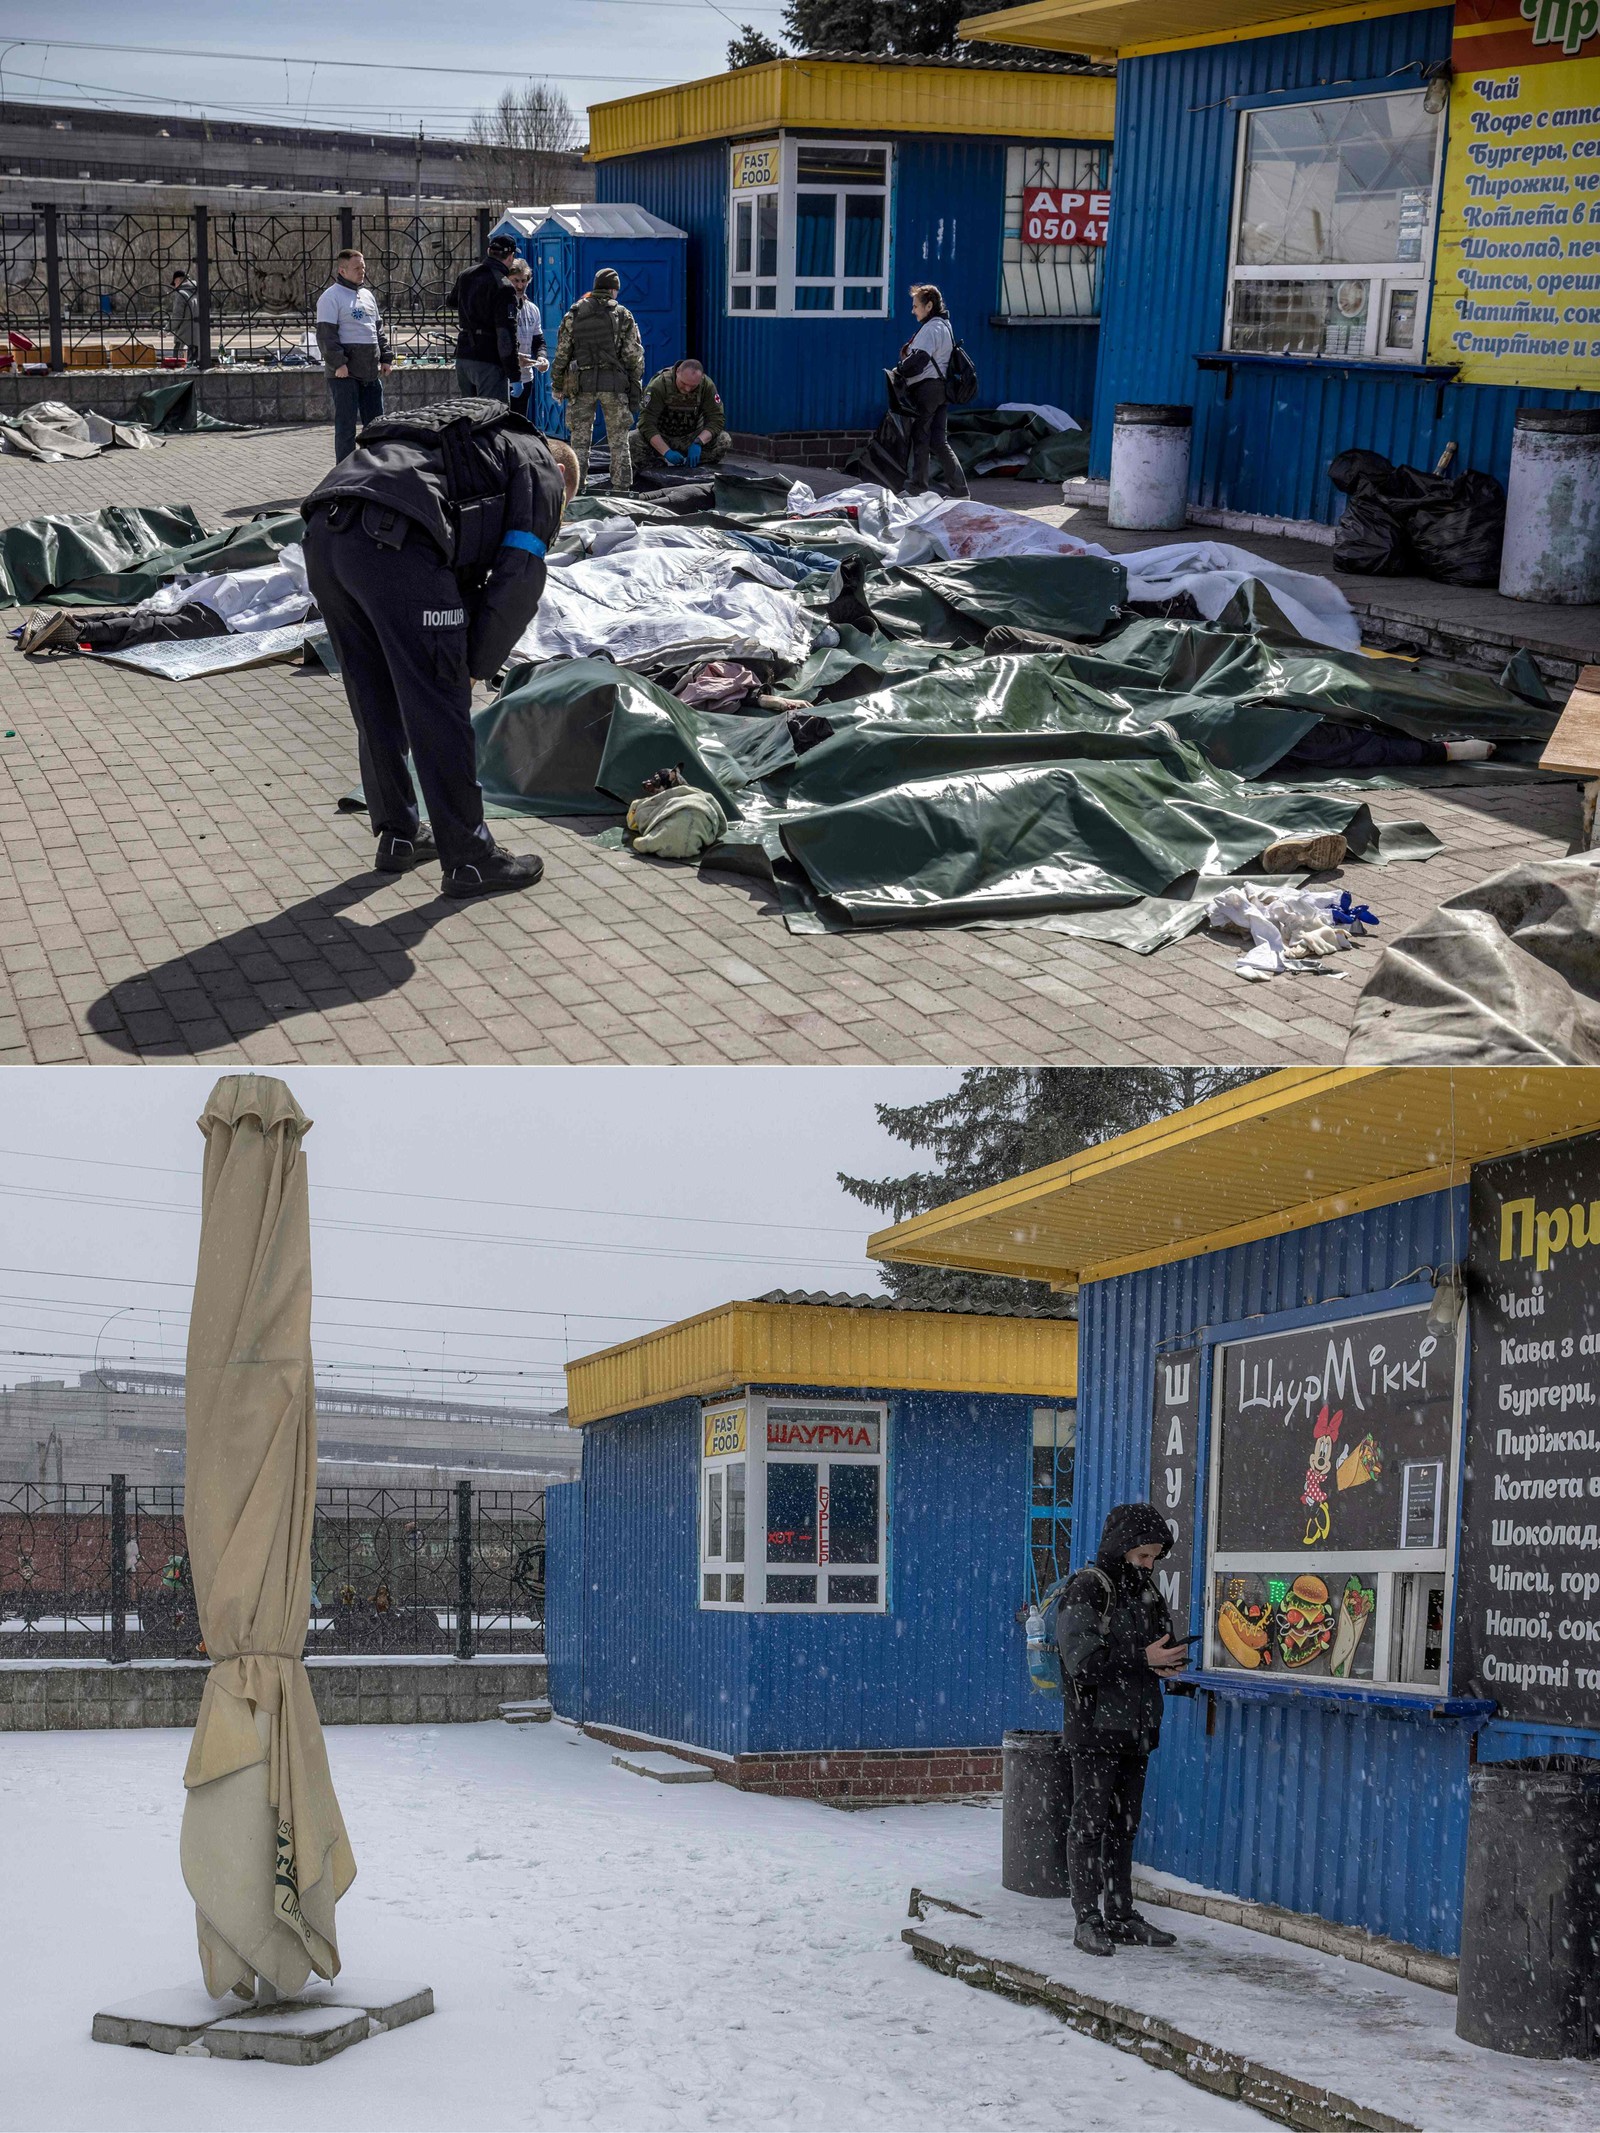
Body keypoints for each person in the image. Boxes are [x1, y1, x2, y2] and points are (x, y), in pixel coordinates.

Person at [300, 398, 579, 899]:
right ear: (560, 471)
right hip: (397, 544)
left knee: (373, 692)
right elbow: (518, 578)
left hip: (326, 532)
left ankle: (398, 836)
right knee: (439, 703)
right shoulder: (541, 466)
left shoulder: (469, 440)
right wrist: (472, 666)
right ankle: (471, 859)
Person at [1056, 1501, 1187, 1958]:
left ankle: (1121, 1914)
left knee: (1124, 1827)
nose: (1150, 1565)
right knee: (1089, 1825)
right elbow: (1083, 1661)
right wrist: (1142, 1658)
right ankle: (1087, 1920)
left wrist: (1168, 1661)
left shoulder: (1148, 1593)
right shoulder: (1089, 1589)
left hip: (1137, 1728)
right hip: (1095, 1730)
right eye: (1143, 1555)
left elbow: (1156, 1644)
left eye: (1154, 1557)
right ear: (1122, 1548)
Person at [550, 267, 643, 493]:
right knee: (619, 442)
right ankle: (621, 490)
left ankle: (576, 488)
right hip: (614, 386)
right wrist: (634, 384)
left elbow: (562, 353)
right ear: (614, 289)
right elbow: (634, 356)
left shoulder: (574, 313)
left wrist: (557, 383)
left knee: (579, 443)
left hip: (582, 385)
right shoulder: (623, 315)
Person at [891, 283, 968, 499]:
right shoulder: (945, 326)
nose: (913, 310)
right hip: (941, 389)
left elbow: (919, 360)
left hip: (927, 389)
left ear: (929, 306)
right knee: (938, 441)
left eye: (916, 306)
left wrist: (899, 370)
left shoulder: (931, 328)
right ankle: (960, 491)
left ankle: (917, 487)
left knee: (921, 438)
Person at [315, 248, 392, 463]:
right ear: (342, 270)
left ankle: (375, 467)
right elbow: (326, 336)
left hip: (370, 371)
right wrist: (338, 363)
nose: (362, 272)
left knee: (376, 424)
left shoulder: (367, 295)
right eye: (356, 268)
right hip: (344, 374)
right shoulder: (331, 297)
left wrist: (386, 358)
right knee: (346, 427)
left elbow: (378, 331)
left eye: (363, 267)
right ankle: (346, 472)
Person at [630, 358, 731, 483]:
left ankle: (694, 468)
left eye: (693, 386)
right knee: (632, 439)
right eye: (684, 384)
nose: (687, 389)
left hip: (690, 437)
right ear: (677, 372)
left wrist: (699, 442)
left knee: (724, 440)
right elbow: (646, 423)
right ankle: (656, 472)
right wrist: (666, 452)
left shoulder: (706, 386)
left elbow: (716, 418)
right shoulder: (659, 385)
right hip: (662, 436)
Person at [449, 233, 520, 403]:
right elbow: (506, 335)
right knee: (492, 418)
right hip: (488, 361)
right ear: (510, 257)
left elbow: (451, 301)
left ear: (489, 251)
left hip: (464, 356)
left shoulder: (466, 275)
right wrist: (514, 375)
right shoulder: (504, 286)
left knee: (469, 417)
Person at [505, 257, 548, 423]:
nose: (520, 285)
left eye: (524, 281)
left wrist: (542, 357)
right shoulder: (502, 306)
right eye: (515, 280)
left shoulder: (533, 309)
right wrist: (515, 359)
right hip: (505, 378)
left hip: (525, 377)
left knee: (519, 423)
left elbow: (539, 341)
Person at [168, 270, 199, 366]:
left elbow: (177, 316)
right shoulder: (197, 292)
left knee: (179, 367)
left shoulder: (181, 293)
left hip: (183, 339)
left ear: (178, 280)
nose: (175, 286)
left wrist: (166, 329)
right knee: (194, 368)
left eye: (175, 283)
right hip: (198, 339)